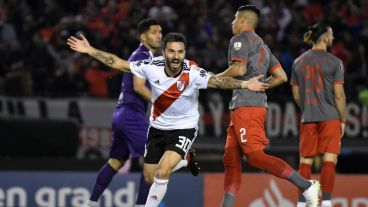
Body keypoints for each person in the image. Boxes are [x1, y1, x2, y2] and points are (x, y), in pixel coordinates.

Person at [68, 32, 269, 207]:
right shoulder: (150, 66)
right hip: (157, 129)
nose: (176, 56)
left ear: (184, 53)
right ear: (164, 52)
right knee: (149, 176)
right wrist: (90, 50)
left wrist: (244, 85)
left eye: (180, 52)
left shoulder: (192, 73)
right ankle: (183, 160)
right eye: (172, 52)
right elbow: (119, 63)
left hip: (184, 128)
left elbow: (218, 81)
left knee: (162, 172)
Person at [74, 18, 197, 207]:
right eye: (154, 32)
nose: (159, 35)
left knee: (116, 161)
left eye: (160, 31)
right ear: (142, 36)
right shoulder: (142, 56)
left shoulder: (144, 56)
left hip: (122, 114)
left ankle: (90, 203)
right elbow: (138, 87)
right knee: (155, 161)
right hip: (131, 114)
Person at [216, 5, 321, 207]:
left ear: (244, 21)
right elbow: (281, 76)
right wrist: (262, 86)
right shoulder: (263, 45)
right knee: (231, 159)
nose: (232, 23)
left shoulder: (239, 39)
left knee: (255, 157)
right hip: (249, 106)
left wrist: (213, 79)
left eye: (235, 18)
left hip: (246, 106)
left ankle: (306, 185)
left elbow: (239, 68)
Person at [291, 22, 346, 207]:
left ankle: (301, 203)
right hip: (330, 117)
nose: (333, 37)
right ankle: (327, 203)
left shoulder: (297, 62)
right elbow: (339, 94)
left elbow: (296, 95)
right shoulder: (335, 62)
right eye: (331, 34)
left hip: (308, 117)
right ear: (324, 37)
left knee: (305, 162)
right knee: (329, 160)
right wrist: (343, 119)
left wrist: (307, 108)